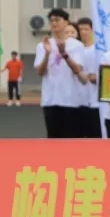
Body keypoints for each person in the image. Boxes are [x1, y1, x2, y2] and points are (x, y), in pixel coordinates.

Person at [35, 8, 88, 138]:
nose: (54, 23)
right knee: (53, 138)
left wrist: (64, 53)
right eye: (51, 20)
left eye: (57, 20)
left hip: (70, 100)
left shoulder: (76, 45)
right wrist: (47, 53)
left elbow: (77, 69)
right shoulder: (42, 46)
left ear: (66, 22)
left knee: (70, 138)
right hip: (50, 100)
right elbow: (40, 72)